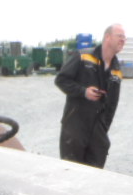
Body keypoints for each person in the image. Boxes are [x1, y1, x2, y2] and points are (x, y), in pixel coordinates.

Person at [54, 24, 126, 168]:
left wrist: (103, 128)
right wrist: (83, 92)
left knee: (94, 176)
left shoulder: (116, 70)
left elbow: (112, 105)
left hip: (98, 133)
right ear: (107, 37)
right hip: (75, 127)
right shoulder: (83, 56)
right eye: (120, 36)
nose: (123, 40)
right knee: (71, 171)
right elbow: (61, 80)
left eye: (124, 38)